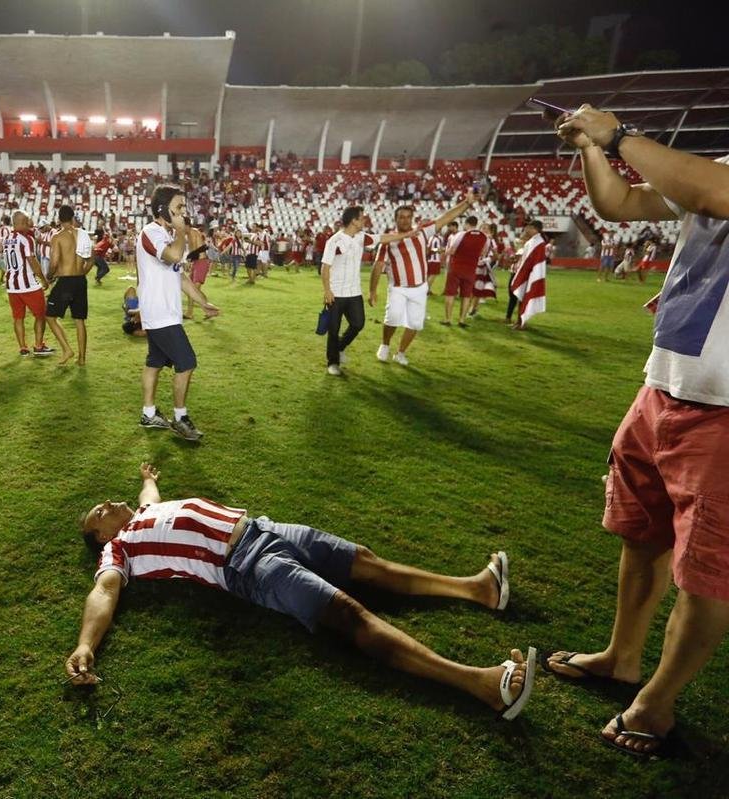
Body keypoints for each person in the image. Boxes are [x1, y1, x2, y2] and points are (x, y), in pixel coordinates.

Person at [65, 463, 536, 722]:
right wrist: (86, 644)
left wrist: (149, 477)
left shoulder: (145, 513)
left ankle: (477, 588)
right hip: (248, 566)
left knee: (366, 561)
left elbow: (147, 494)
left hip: (265, 528)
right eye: (98, 513)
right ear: (103, 537)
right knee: (348, 613)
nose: (106, 503)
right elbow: (104, 593)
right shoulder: (121, 549)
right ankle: (479, 684)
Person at [545, 103, 729, 757]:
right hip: (665, 383)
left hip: (724, 408)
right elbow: (620, 203)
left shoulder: (714, 179)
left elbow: (713, 194)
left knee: (707, 571)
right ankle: (622, 657)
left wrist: (619, 135)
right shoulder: (715, 168)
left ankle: (657, 704)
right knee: (642, 532)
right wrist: (591, 149)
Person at [136, 185, 220, 442]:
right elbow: (173, 256)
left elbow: (179, 276)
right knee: (187, 362)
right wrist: (182, 231)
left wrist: (203, 302)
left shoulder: (165, 234)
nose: (183, 211)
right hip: (160, 312)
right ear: (163, 209)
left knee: (155, 362)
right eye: (179, 207)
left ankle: (149, 414)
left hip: (164, 312)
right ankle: (180, 418)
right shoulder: (151, 232)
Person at [367, 194, 475, 366]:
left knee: (415, 323)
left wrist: (467, 203)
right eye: (401, 217)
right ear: (395, 219)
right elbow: (378, 265)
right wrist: (372, 290)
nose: (405, 220)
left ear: (412, 218)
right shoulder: (389, 240)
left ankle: (400, 353)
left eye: (408, 217)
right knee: (392, 318)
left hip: (419, 287)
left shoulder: (422, 232)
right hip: (398, 287)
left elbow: (446, 217)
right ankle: (385, 345)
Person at [320, 206, 416, 375]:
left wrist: (406, 235)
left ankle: (339, 348)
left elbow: (384, 238)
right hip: (336, 293)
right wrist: (327, 291)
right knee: (333, 330)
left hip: (354, 292)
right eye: (362, 217)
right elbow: (325, 268)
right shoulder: (334, 241)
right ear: (354, 221)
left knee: (358, 324)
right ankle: (332, 363)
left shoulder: (361, 237)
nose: (364, 220)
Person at [3, 209, 64, 357]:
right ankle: (38, 346)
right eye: (28, 221)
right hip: (28, 285)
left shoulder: (6, 238)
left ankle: (23, 348)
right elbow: (32, 261)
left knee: (18, 318)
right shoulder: (26, 239)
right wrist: (43, 279)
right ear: (23, 222)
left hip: (12, 285)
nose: (30, 224)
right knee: (41, 315)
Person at [44, 205, 88, 365]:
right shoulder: (83, 235)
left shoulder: (57, 237)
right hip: (80, 280)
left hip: (66, 281)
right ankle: (82, 358)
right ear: (72, 217)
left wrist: (49, 276)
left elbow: (54, 262)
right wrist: (83, 272)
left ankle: (67, 349)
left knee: (50, 316)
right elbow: (91, 259)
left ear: (59, 219)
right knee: (79, 320)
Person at [441, 216, 489, 327]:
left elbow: (452, 250)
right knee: (466, 295)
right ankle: (462, 320)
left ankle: (447, 319)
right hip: (471, 269)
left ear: (467, 224)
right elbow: (483, 253)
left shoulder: (461, 234)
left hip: (456, 267)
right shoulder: (484, 237)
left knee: (450, 293)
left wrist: (445, 251)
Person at [507, 221, 547, 330]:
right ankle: (519, 321)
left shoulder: (537, 242)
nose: (527, 230)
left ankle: (521, 322)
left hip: (530, 274)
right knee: (521, 298)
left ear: (535, 229)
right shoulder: (534, 241)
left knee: (524, 297)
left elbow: (531, 261)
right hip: (528, 273)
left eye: (529, 228)